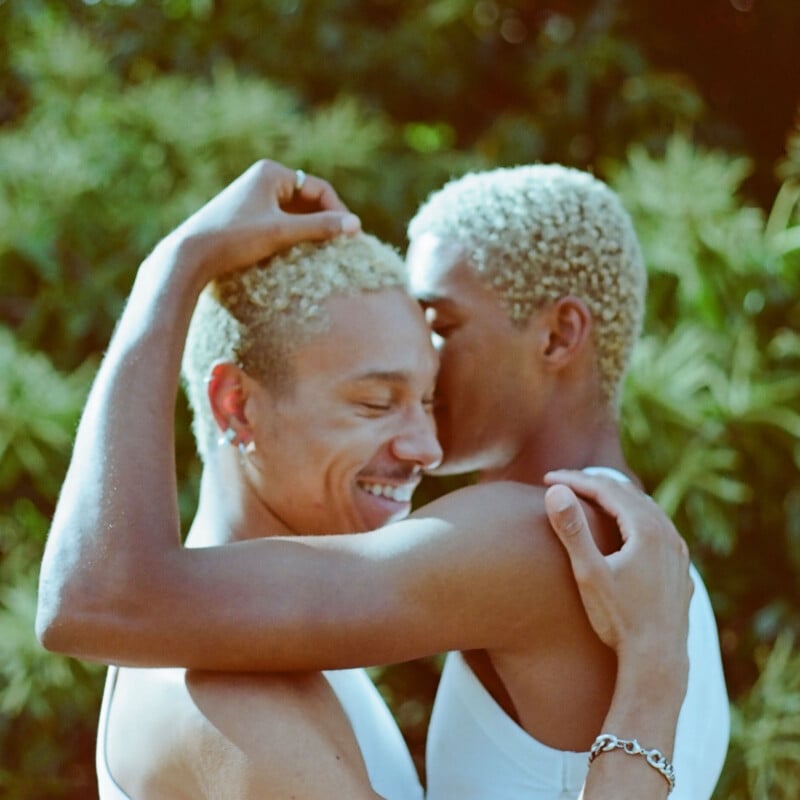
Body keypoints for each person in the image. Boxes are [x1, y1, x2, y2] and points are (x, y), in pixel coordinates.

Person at [35, 160, 722, 799]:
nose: (421, 438)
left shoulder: (545, 537)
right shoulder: (637, 563)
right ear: (236, 405)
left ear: (557, 334)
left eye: (440, 325)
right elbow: (100, 596)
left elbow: (100, 594)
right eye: (374, 397)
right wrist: (655, 677)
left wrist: (175, 265)